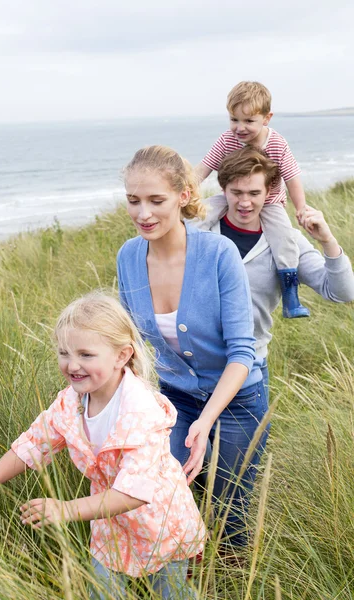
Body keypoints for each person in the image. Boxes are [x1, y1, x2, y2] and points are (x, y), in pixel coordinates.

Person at [0, 293, 206, 600]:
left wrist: (65, 510)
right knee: (101, 592)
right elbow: (34, 443)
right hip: (108, 525)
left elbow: (133, 493)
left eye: (86, 355)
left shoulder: (141, 411)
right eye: (64, 353)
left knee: (172, 594)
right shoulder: (71, 402)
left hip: (160, 525)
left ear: (121, 355)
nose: (72, 365)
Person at [117, 145, 269, 549]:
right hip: (174, 401)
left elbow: (242, 353)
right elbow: (131, 347)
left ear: (183, 196)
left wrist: (207, 422)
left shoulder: (219, 254)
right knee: (166, 499)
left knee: (228, 510)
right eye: (133, 200)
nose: (143, 213)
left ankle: (232, 582)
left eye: (156, 200)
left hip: (237, 402)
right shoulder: (128, 256)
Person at [196, 146, 354, 395]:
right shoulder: (196, 233)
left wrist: (328, 241)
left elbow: (342, 292)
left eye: (254, 193)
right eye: (236, 192)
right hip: (191, 370)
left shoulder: (287, 242)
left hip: (250, 369)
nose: (245, 202)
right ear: (223, 189)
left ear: (268, 192)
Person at [195, 80, 310, 319]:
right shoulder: (227, 139)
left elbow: (292, 177)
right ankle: (185, 262)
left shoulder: (276, 143)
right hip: (231, 196)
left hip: (269, 202)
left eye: (248, 121)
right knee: (200, 216)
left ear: (266, 118)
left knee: (284, 239)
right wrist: (184, 193)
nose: (240, 128)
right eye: (234, 120)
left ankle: (290, 295)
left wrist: (301, 208)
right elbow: (204, 168)